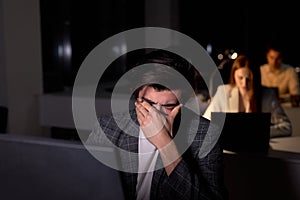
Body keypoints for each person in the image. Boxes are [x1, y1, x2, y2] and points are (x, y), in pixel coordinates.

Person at [86, 49, 228, 200]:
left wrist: (165, 143)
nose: (157, 114)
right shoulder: (107, 128)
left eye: (169, 106)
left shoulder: (206, 134)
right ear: (137, 96)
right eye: (149, 103)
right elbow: (83, 185)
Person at [203, 54, 292, 138]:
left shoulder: (268, 95)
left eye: (248, 79)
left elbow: (287, 127)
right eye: (240, 78)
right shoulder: (224, 92)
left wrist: (259, 132)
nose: (244, 84)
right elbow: (205, 121)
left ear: (256, 78)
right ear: (234, 76)